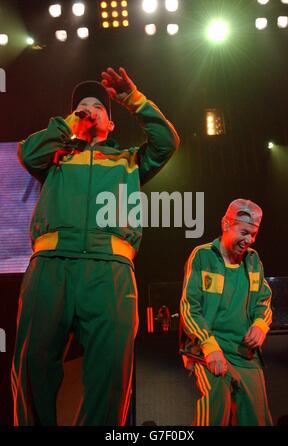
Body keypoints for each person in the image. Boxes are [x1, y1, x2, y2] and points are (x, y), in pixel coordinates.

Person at [11, 67, 180, 426]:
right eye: (81, 106)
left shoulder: (129, 161)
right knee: (33, 366)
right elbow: (28, 152)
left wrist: (134, 99)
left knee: (109, 375)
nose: (88, 109)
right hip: (51, 266)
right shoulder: (56, 158)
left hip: (111, 271)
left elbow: (166, 142)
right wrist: (68, 126)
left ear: (113, 124)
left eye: (97, 106)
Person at [180, 199, 273, 426]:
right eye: (244, 232)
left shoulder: (253, 261)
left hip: (245, 354)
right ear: (226, 224)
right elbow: (189, 307)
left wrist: (261, 325)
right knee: (214, 409)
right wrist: (209, 346)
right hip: (209, 350)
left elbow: (264, 300)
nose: (248, 240)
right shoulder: (203, 256)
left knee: (257, 419)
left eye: (253, 234)